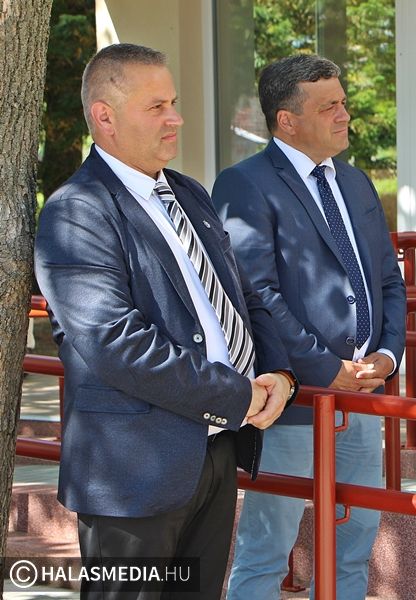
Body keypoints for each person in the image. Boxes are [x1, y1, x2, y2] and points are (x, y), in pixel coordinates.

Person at [33, 43, 296, 599]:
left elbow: (243, 297)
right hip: (134, 475)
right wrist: (235, 395)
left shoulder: (188, 194)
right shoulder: (77, 210)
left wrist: (278, 374)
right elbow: (115, 342)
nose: (175, 118)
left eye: (173, 102)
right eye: (156, 107)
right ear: (105, 117)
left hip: (214, 452)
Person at [212, 54, 406, 599]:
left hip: (362, 397)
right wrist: (324, 369)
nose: (345, 115)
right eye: (329, 107)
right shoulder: (244, 185)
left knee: (355, 545)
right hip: (292, 401)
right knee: (266, 548)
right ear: (287, 120)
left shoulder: (356, 182)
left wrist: (388, 356)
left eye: (343, 103)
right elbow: (256, 294)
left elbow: (388, 280)